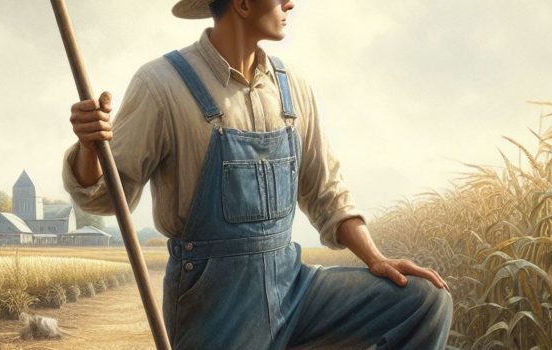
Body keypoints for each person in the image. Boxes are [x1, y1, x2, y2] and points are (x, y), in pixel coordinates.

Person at [62, 0, 454, 348]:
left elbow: (325, 190)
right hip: (215, 301)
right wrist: (90, 147)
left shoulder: (293, 87)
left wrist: (376, 257)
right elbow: (106, 196)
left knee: (423, 301)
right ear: (244, 4)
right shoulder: (161, 85)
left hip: (294, 287)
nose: (291, 3)